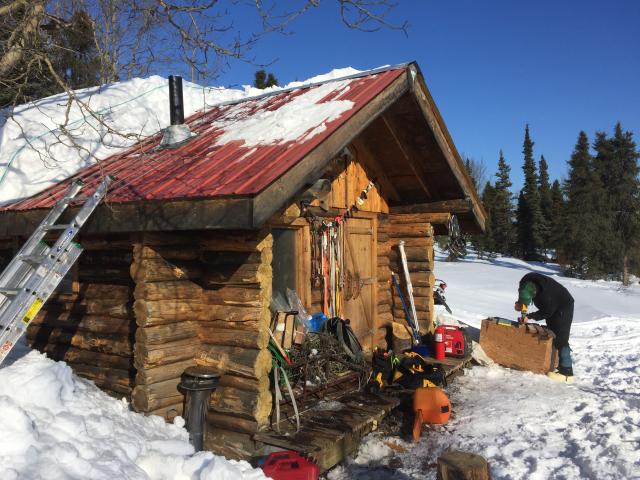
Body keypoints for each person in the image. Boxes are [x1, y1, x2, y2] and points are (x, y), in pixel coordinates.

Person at [515, 272, 575, 382]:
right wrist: (521, 304)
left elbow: (546, 313)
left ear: (535, 292)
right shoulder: (525, 283)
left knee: (561, 337)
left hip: (564, 306)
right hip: (551, 304)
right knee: (552, 332)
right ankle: (556, 362)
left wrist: (529, 316)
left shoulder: (547, 295)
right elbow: (525, 296)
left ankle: (567, 372)